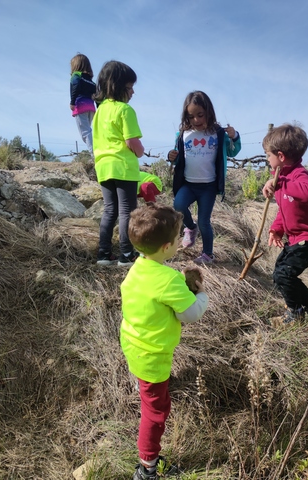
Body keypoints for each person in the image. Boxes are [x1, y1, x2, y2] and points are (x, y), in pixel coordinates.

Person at [120, 203, 210, 480]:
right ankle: (147, 466)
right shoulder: (169, 279)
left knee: (151, 397)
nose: (180, 241)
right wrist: (201, 294)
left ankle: (149, 460)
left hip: (134, 344)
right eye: (179, 237)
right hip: (153, 355)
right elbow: (190, 313)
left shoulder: (138, 267)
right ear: (167, 247)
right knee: (156, 411)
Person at [261, 124, 308, 322]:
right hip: (297, 239)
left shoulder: (299, 175)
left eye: (268, 155)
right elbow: (285, 210)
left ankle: (295, 312)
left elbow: (306, 193)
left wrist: (281, 183)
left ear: (281, 156)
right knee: (280, 273)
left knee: (284, 274)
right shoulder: (283, 178)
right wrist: (276, 229)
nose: (267, 159)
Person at [167, 91, 241, 264]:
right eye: (191, 116)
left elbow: (233, 151)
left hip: (208, 186)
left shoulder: (218, 133)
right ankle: (190, 227)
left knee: (204, 221)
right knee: (178, 205)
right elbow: (179, 157)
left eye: (200, 115)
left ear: (209, 111)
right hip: (188, 184)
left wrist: (234, 137)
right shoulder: (183, 134)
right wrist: (172, 157)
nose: (196, 120)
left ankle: (208, 254)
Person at [92, 60, 144, 267]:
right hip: (123, 167)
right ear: (118, 86)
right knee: (127, 211)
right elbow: (132, 142)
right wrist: (140, 152)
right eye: (130, 87)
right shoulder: (125, 110)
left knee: (109, 210)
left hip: (103, 167)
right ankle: (126, 254)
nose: (133, 92)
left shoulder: (99, 111)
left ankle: (104, 254)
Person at [69, 53, 97, 153]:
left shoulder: (76, 75)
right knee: (88, 130)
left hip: (80, 106)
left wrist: (72, 102)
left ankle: (94, 154)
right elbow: (96, 94)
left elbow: (76, 86)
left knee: (85, 133)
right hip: (91, 108)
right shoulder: (91, 81)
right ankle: (96, 150)